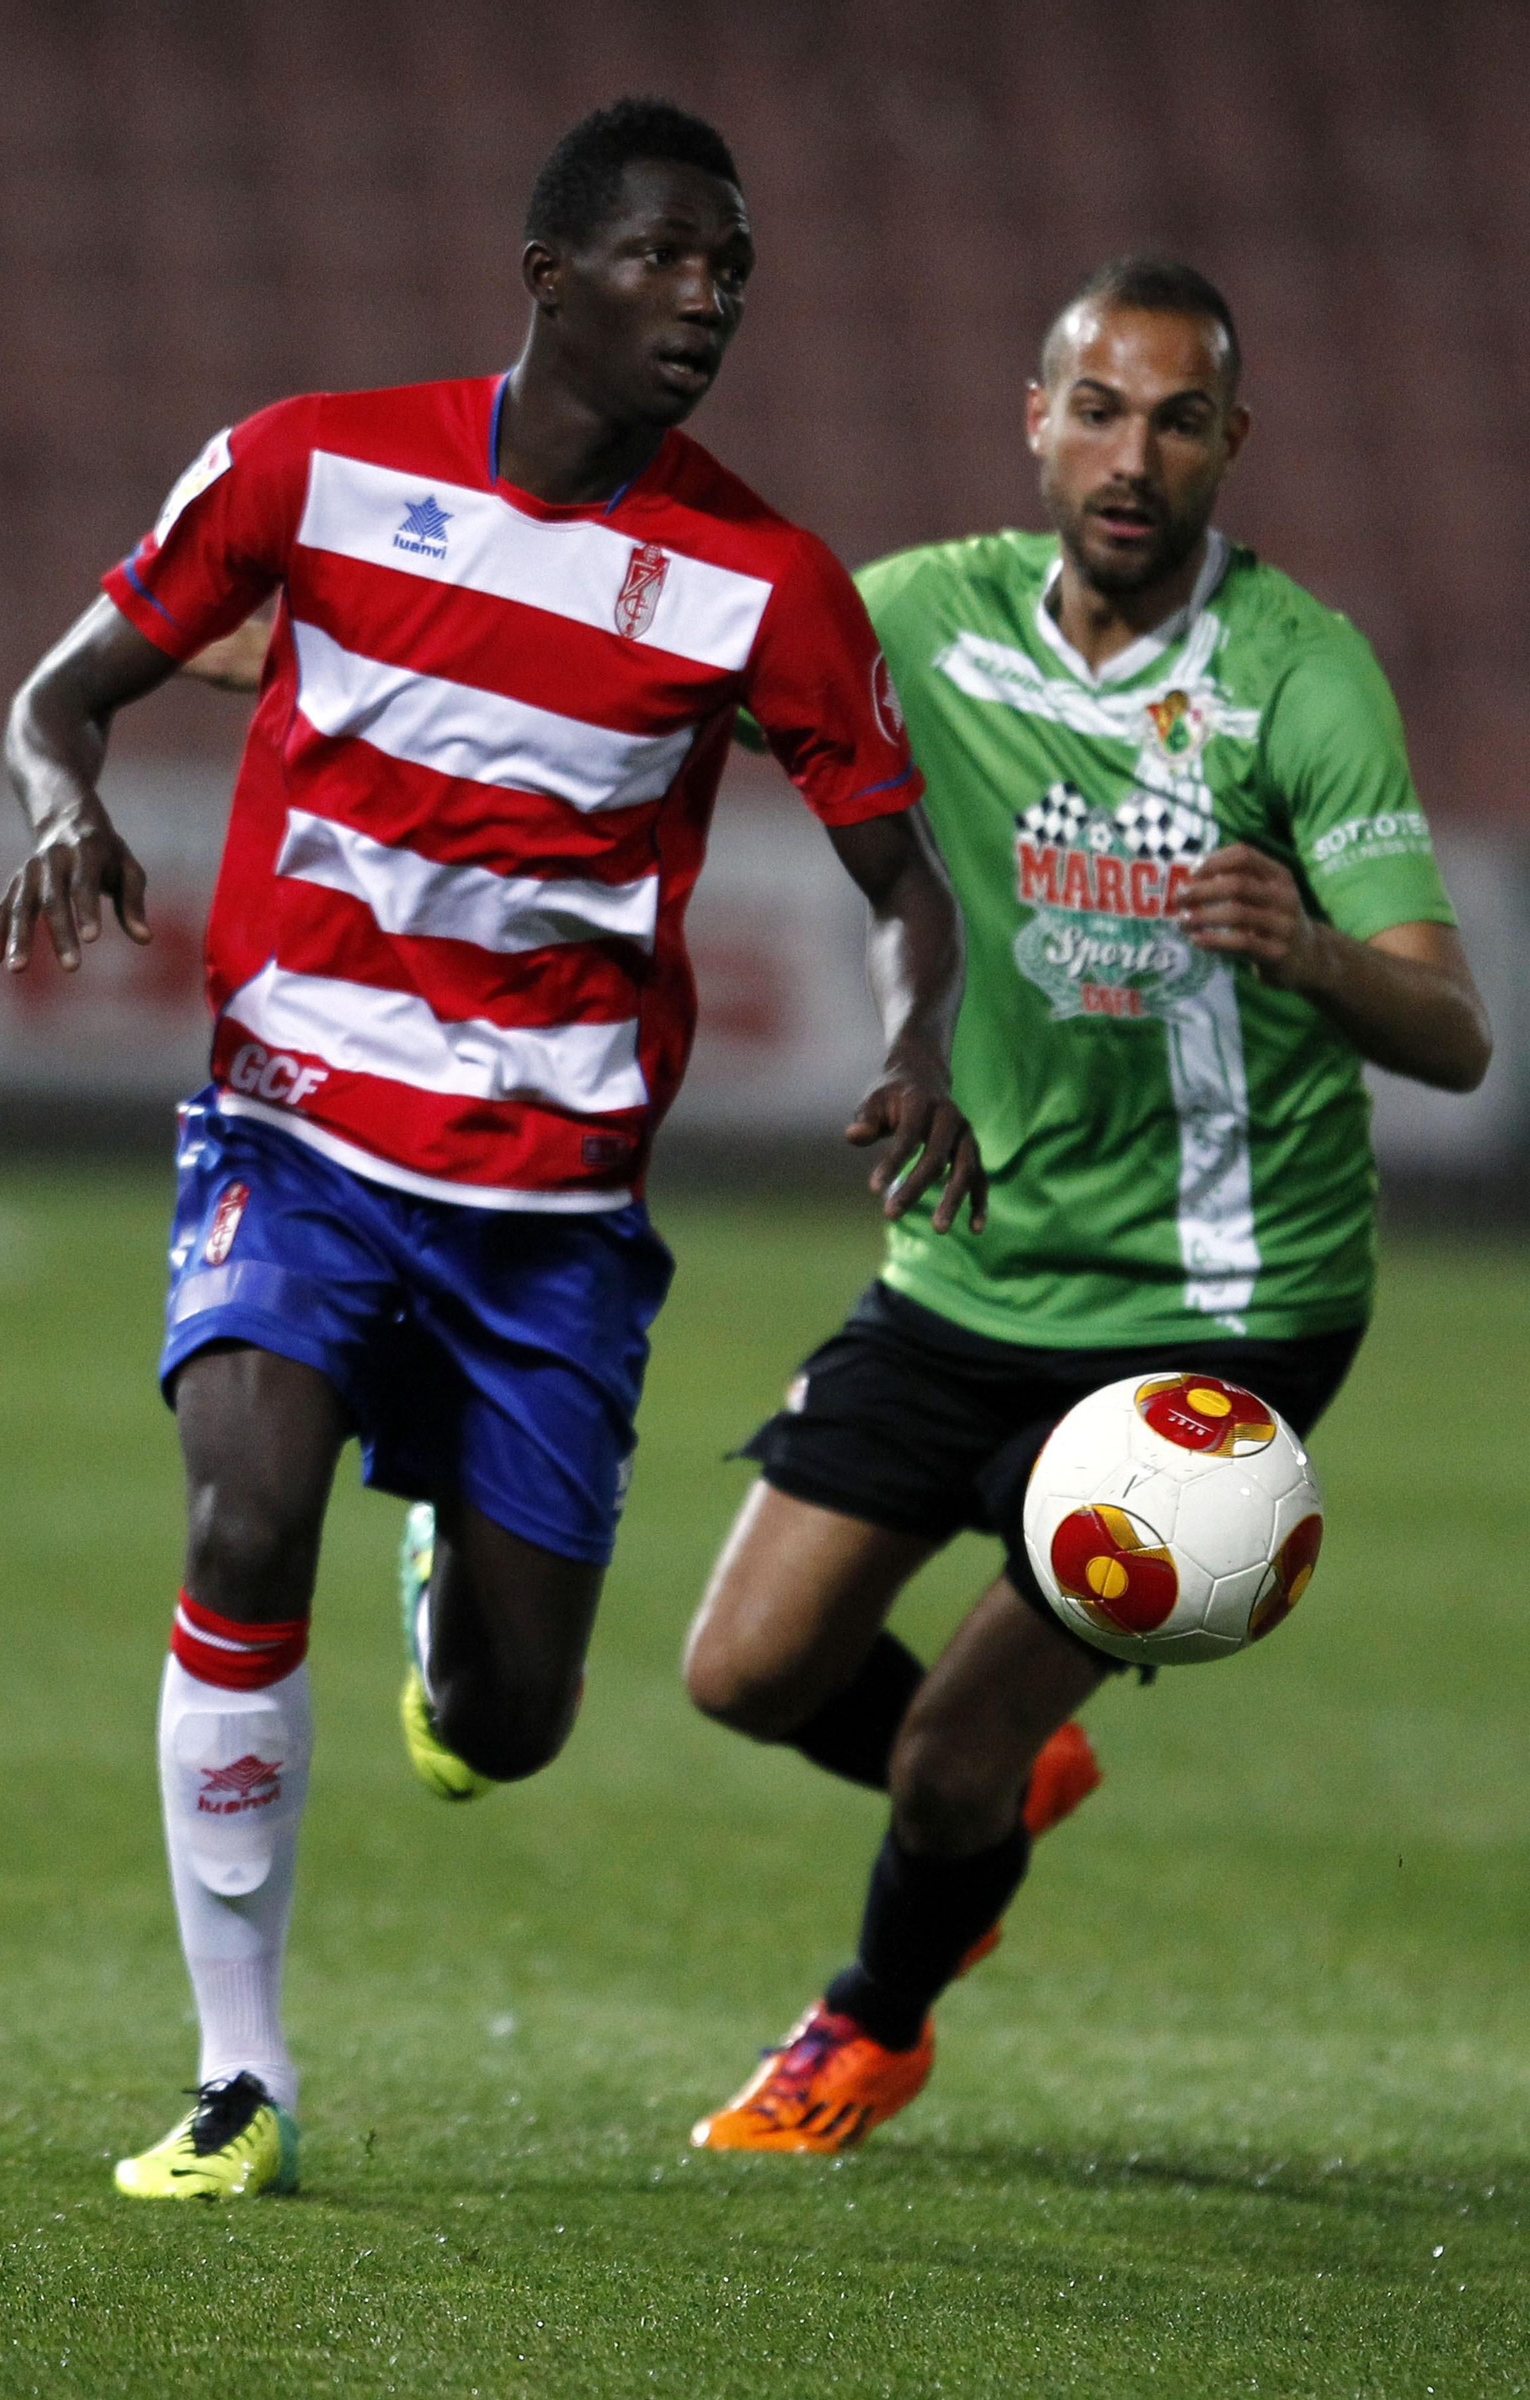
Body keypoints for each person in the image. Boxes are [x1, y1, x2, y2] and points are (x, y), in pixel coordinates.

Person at [0, 97, 987, 2200]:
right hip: (298, 1125)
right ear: (549, 274)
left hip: (545, 1215)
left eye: (730, 270)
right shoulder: (308, 465)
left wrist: (916, 1051)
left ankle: (454, 1552)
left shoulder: (761, 579)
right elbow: (61, 695)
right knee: (245, 1518)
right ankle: (236, 2075)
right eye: (661, 257)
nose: (703, 298)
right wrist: (65, 799)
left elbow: (905, 887)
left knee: (516, 1728)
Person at [683, 255, 1492, 2153]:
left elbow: (1451, 1032)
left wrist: (1308, 944)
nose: (1135, 456)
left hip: (1222, 1313)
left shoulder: (1301, 674)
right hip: (975, 1260)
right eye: (1101, 409)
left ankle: (869, 2025)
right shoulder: (921, 619)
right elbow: (653, 689)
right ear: (1035, 418)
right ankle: (990, 1788)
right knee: (743, 1671)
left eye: (1181, 419)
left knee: (951, 1749)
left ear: (1232, 446)